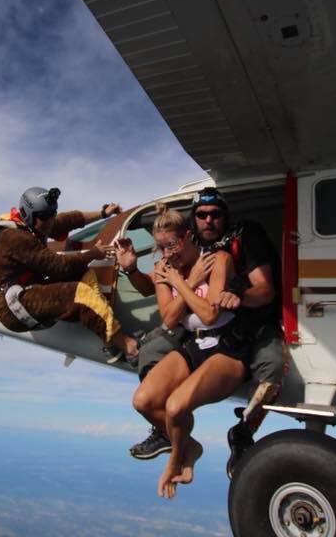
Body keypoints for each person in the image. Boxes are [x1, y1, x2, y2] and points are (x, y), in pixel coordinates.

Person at [118, 187, 287, 476]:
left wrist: (236, 295)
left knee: (272, 365)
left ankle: (244, 432)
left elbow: (259, 292)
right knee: (151, 353)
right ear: (193, 221)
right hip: (196, 331)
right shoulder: (174, 256)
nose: (209, 220)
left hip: (246, 325)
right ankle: (166, 431)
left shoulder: (239, 241)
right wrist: (136, 270)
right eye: (202, 215)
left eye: (215, 214)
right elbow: (167, 310)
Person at [130, 205, 251, 498]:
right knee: (143, 400)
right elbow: (170, 319)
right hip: (195, 343)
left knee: (175, 407)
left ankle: (177, 461)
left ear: (186, 236)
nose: (166, 254)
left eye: (171, 245)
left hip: (228, 345)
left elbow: (210, 314)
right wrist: (190, 282)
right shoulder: (165, 271)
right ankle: (190, 444)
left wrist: (181, 284)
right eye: (160, 248)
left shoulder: (217, 260)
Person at [0, 186, 139, 363]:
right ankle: (127, 345)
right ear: (28, 215)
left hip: (28, 288)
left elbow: (67, 220)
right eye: (45, 216)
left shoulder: (35, 223)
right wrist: (92, 254)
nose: (50, 220)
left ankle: (106, 331)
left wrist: (103, 213)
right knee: (77, 293)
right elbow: (57, 266)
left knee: (83, 271)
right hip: (11, 306)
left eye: (52, 213)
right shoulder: (14, 237)